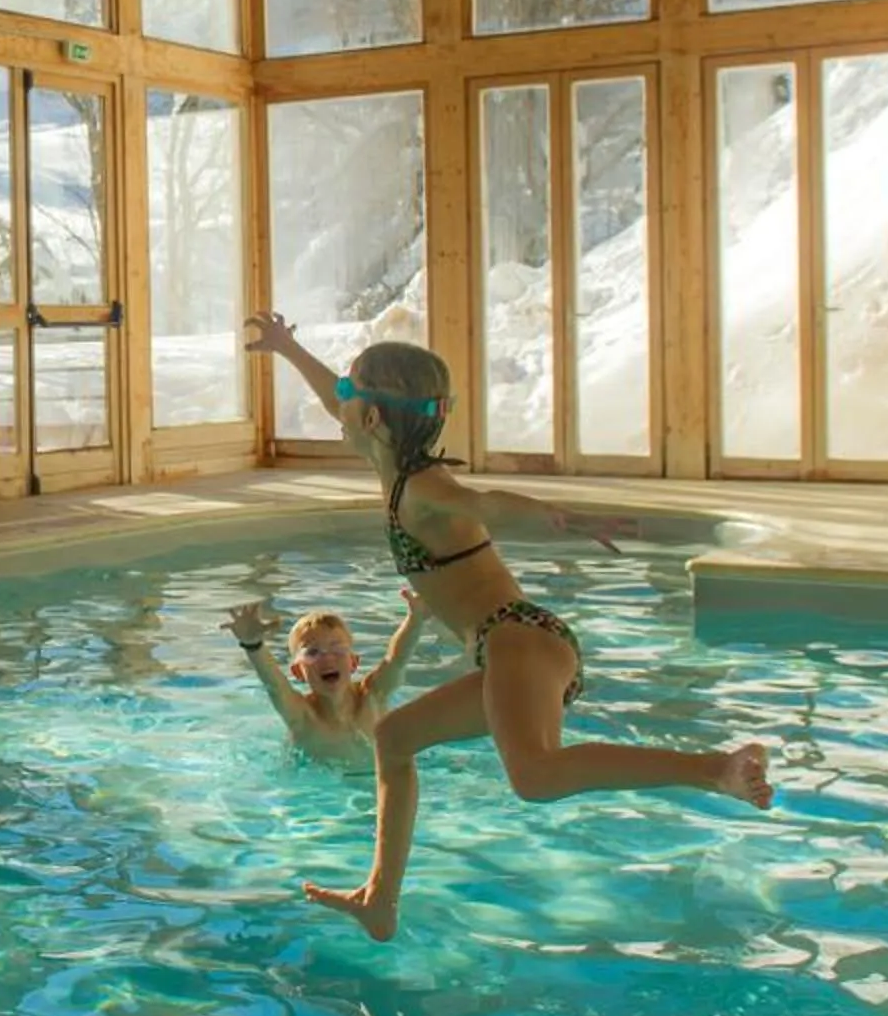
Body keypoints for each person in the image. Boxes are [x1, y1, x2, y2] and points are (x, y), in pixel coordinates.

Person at [244, 310, 773, 941]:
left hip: (518, 636)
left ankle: (715, 768)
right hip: (507, 649)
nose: (340, 401)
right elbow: (339, 393)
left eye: (351, 394)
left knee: (535, 775)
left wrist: (562, 517)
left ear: (375, 418)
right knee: (395, 738)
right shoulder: (395, 471)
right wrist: (286, 347)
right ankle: (379, 900)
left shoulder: (423, 486)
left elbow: (486, 504)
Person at [221, 595, 428, 767]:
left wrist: (415, 618)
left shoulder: (372, 696)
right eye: (313, 652)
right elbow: (275, 685)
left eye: (337, 648)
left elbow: (397, 659)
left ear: (354, 663)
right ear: (298, 672)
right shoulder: (303, 716)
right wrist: (253, 645)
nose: (328, 658)